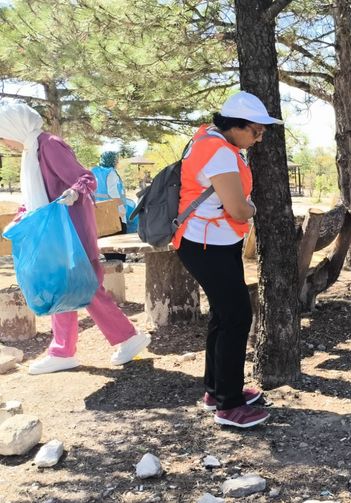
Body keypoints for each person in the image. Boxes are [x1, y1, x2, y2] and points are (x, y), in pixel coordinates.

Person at [0, 103, 151, 375]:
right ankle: (67, 349)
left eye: (3, 135)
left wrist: (74, 192)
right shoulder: (32, 149)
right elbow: (39, 194)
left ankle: (111, 340)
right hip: (56, 230)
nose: (4, 142)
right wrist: (23, 214)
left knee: (81, 285)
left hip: (70, 229)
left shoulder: (48, 145)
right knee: (64, 286)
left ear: (14, 127)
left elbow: (86, 178)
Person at [170, 91, 278, 429]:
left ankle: (217, 390)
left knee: (223, 314)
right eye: (256, 131)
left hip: (213, 241)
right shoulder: (219, 153)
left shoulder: (214, 141)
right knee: (236, 316)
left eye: (262, 132)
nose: (259, 138)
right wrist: (252, 209)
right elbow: (237, 208)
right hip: (205, 244)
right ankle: (229, 406)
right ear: (235, 126)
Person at [91, 151, 128, 261]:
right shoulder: (111, 173)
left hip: (99, 215)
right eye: (116, 160)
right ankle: (117, 276)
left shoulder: (93, 172)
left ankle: (113, 275)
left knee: (107, 248)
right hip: (114, 216)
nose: (117, 162)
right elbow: (113, 194)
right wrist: (122, 210)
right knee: (118, 251)